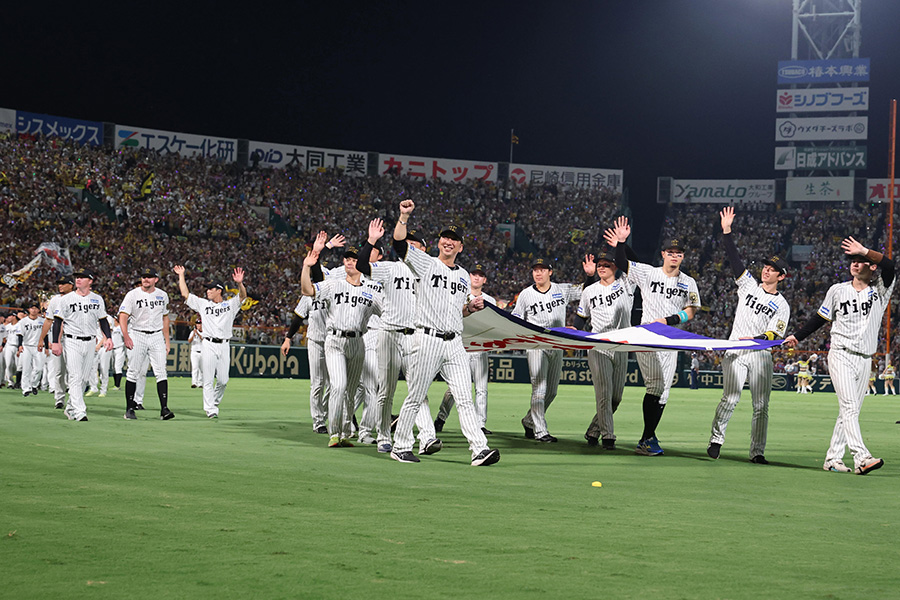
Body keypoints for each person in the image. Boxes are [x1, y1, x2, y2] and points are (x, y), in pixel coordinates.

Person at [388, 199, 500, 466]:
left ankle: (479, 449)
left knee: (464, 396)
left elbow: (457, 311)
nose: (448, 242)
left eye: (454, 239)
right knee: (416, 396)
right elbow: (399, 245)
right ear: (439, 242)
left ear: (461, 246)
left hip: (454, 343)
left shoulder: (463, 276)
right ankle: (401, 445)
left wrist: (470, 308)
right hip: (426, 338)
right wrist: (404, 217)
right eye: (445, 238)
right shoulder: (426, 264)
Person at [785, 236, 894, 475]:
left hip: (865, 359)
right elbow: (821, 318)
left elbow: (891, 265)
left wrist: (865, 249)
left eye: (860, 261)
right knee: (849, 407)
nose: (855, 264)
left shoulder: (881, 290)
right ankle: (862, 457)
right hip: (841, 354)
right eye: (852, 260)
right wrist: (798, 336)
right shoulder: (837, 290)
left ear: (871, 266)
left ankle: (833, 458)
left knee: (849, 410)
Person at [606, 215, 702, 456]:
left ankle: (648, 437)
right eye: (670, 252)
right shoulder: (648, 273)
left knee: (664, 391)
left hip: (670, 339)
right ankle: (647, 439)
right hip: (648, 336)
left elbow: (691, 311)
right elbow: (621, 262)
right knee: (655, 385)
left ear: (683, 257)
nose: (674, 256)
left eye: (678, 253)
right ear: (663, 254)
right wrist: (620, 242)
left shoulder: (688, 282)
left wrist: (670, 320)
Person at [707, 207, 790, 464]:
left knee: (761, 406)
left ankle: (757, 452)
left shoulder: (783, 305)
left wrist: (756, 339)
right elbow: (734, 260)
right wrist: (727, 231)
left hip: (760, 355)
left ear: (781, 276)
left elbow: (774, 334)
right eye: (766, 266)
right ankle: (716, 440)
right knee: (730, 397)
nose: (766, 270)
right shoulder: (748, 285)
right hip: (735, 350)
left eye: (772, 268)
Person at [356, 218, 436, 453]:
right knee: (386, 390)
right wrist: (371, 240)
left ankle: (427, 437)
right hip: (389, 332)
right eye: (407, 243)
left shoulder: (430, 272)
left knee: (418, 389)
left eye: (415, 244)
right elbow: (362, 266)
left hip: (415, 337)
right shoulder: (391, 267)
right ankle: (383, 435)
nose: (409, 247)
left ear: (423, 249)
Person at [301, 232, 382, 448]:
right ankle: (334, 432)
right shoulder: (334, 284)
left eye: (354, 259)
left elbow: (388, 314)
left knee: (351, 389)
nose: (349, 262)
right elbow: (307, 290)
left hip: (358, 343)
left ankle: (346, 431)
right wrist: (307, 267)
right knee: (338, 385)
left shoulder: (370, 292)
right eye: (347, 258)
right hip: (334, 340)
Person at [513, 257, 587, 442]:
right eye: (535, 269)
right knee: (539, 388)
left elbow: (586, 291)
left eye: (542, 269)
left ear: (550, 272)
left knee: (552, 391)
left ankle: (529, 421)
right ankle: (540, 431)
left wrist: (591, 275)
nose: (538, 273)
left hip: (557, 344)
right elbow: (516, 317)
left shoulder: (561, 290)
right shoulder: (525, 294)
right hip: (537, 344)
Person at [575, 247, 634, 449]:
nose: (602, 267)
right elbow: (581, 318)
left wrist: (621, 244)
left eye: (606, 264)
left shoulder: (626, 284)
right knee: (604, 394)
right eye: (599, 265)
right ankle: (608, 437)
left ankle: (593, 431)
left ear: (616, 266)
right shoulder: (589, 291)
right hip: (598, 345)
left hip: (621, 345)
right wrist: (573, 332)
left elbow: (634, 263)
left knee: (616, 398)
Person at [175, 265, 247, 418]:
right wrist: (181, 275)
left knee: (223, 380)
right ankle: (210, 410)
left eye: (211, 289)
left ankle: (213, 402)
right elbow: (185, 294)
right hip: (207, 343)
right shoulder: (203, 304)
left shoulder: (229, 305)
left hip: (224, 345)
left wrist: (240, 283)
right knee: (207, 379)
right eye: (207, 289)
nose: (207, 291)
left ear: (219, 290)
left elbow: (242, 296)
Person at [435, 263, 496, 435]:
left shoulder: (490, 301)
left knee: (482, 389)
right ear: (469, 277)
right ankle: (441, 417)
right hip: (460, 346)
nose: (476, 277)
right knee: (454, 389)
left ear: (484, 279)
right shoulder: (459, 295)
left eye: (480, 275)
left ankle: (480, 424)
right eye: (474, 274)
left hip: (481, 348)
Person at [50, 269, 114, 421]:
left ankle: (71, 407)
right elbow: (58, 321)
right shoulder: (65, 299)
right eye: (77, 277)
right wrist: (55, 342)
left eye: (82, 277)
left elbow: (103, 320)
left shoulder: (97, 299)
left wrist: (108, 337)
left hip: (91, 341)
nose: (78, 280)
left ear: (90, 281)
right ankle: (80, 411)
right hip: (72, 340)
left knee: (84, 378)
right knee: (75, 376)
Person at [119, 268, 174, 421]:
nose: (146, 280)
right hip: (138, 334)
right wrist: (126, 336)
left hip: (156, 335)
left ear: (156, 279)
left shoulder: (162, 295)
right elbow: (123, 316)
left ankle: (164, 409)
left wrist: (167, 341)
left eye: (149, 277)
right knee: (133, 371)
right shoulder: (132, 294)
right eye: (144, 277)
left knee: (161, 371)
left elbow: (165, 318)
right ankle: (129, 409)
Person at [39, 276, 74, 408]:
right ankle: (59, 399)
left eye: (63, 283)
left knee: (75, 372)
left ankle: (74, 399)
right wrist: (41, 339)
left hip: (74, 338)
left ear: (71, 285)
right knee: (59, 371)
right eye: (59, 283)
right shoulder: (55, 300)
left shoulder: (78, 298)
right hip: (59, 339)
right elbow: (48, 320)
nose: (60, 286)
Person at [16, 302, 45, 396]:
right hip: (26, 346)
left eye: (35, 308)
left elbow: (46, 334)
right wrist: (19, 346)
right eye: (32, 308)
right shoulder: (23, 321)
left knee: (39, 368)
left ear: (38, 310)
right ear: (29, 310)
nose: (34, 310)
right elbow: (20, 334)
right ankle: (25, 388)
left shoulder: (42, 320)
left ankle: (34, 384)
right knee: (26, 368)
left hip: (38, 346)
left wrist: (47, 347)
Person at [188, 320, 204, 388]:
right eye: (197, 324)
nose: (198, 325)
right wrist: (194, 335)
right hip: (194, 352)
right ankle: (194, 383)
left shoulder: (204, 332)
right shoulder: (193, 332)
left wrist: (198, 333)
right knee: (195, 368)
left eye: (199, 324)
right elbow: (189, 341)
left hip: (203, 352)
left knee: (202, 369)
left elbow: (203, 339)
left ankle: (200, 383)